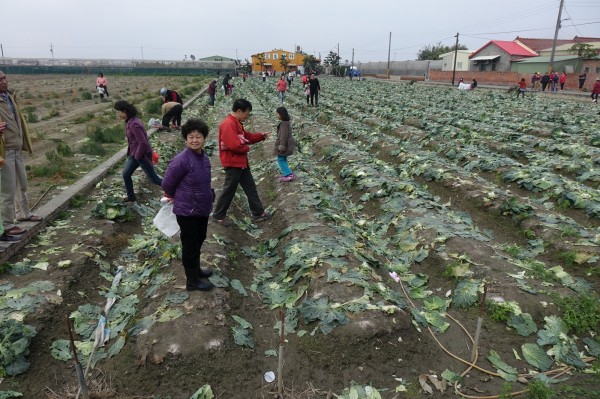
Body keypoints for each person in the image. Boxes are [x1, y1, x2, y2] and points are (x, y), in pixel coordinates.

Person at [161, 119, 215, 292]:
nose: (194, 140)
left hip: (202, 207)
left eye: (198, 136)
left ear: (204, 138)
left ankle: (196, 270)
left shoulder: (203, 157)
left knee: (199, 239)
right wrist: (179, 196)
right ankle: (192, 281)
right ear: (185, 139)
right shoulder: (181, 160)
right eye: (190, 137)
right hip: (187, 211)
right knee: (190, 244)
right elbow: (167, 184)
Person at [212, 99, 270, 226]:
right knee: (229, 190)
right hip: (233, 163)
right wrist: (246, 148)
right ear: (239, 111)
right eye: (246, 113)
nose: (247, 116)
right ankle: (218, 215)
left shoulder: (236, 123)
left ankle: (258, 213)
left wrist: (261, 136)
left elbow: (246, 136)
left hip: (240, 162)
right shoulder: (228, 124)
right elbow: (234, 145)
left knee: (250, 187)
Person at [0, 70, 42, 239]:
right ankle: (7, 224)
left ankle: (23, 213)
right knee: (7, 189)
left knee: (22, 183)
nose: (4, 81)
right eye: (0, 79)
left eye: (4, 77)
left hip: (16, 148)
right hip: (4, 151)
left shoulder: (9, 97)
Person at [114, 100, 162, 202]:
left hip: (142, 155)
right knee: (126, 174)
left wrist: (137, 156)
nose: (118, 114)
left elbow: (143, 142)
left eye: (119, 112)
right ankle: (131, 198)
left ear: (125, 111)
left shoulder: (134, 124)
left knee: (154, 179)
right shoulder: (130, 121)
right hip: (135, 154)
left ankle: (176, 189)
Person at [274, 107, 295, 182]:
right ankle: (288, 173)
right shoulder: (286, 123)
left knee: (280, 160)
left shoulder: (284, 124)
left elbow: (284, 137)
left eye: (277, 114)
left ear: (281, 115)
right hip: (286, 145)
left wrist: (281, 147)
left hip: (284, 146)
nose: (276, 115)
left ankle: (288, 174)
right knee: (283, 159)